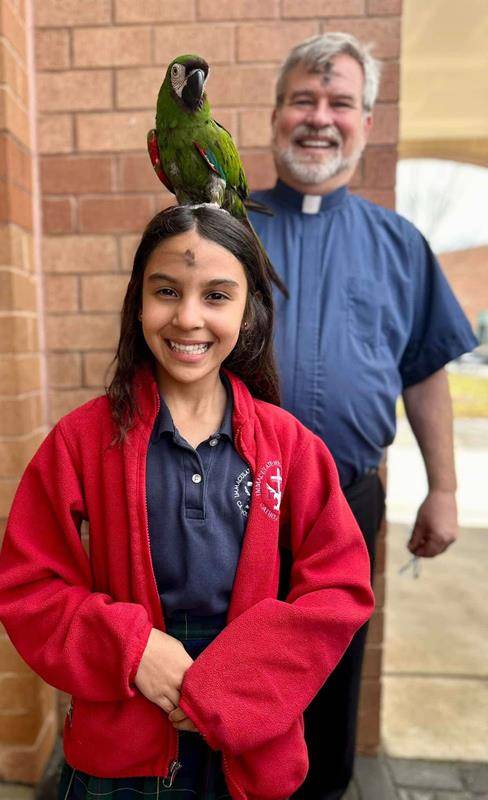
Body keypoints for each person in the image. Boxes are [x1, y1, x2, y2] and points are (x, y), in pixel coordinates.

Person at [0, 204, 374, 800]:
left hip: (248, 737)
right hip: (121, 740)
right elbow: (27, 588)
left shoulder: (291, 447)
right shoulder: (81, 440)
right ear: (137, 302)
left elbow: (340, 589)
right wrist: (134, 649)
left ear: (249, 312)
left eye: (217, 296)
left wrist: (229, 685)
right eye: (166, 291)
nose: (188, 317)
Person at [248, 32, 479, 800]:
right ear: (276, 114)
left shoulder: (399, 245)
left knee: (329, 673)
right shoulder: (223, 232)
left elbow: (424, 371)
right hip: (227, 504)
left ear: (366, 123)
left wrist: (442, 489)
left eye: (340, 102)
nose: (320, 118)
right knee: (234, 672)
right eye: (303, 101)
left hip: (346, 506)